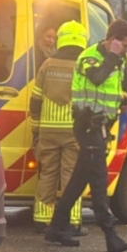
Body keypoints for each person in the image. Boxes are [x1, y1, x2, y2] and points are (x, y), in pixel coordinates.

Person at [44, 19, 127, 252]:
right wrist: (114, 57)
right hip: (86, 126)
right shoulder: (90, 56)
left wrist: (120, 102)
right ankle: (110, 234)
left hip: (99, 127)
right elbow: (96, 77)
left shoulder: (119, 61)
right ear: (113, 40)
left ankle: (56, 228)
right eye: (124, 46)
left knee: (78, 181)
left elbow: (107, 91)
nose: (126, 51)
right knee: (98, 181)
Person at [32, 21, 86, 234]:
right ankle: (71, 222)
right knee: (71, 176)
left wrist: (36, 130)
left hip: (48, 129)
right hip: (73, 130)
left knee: (48, 174)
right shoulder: (83, 66)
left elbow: (35, 101)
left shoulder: (47, 64)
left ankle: (41, 219)